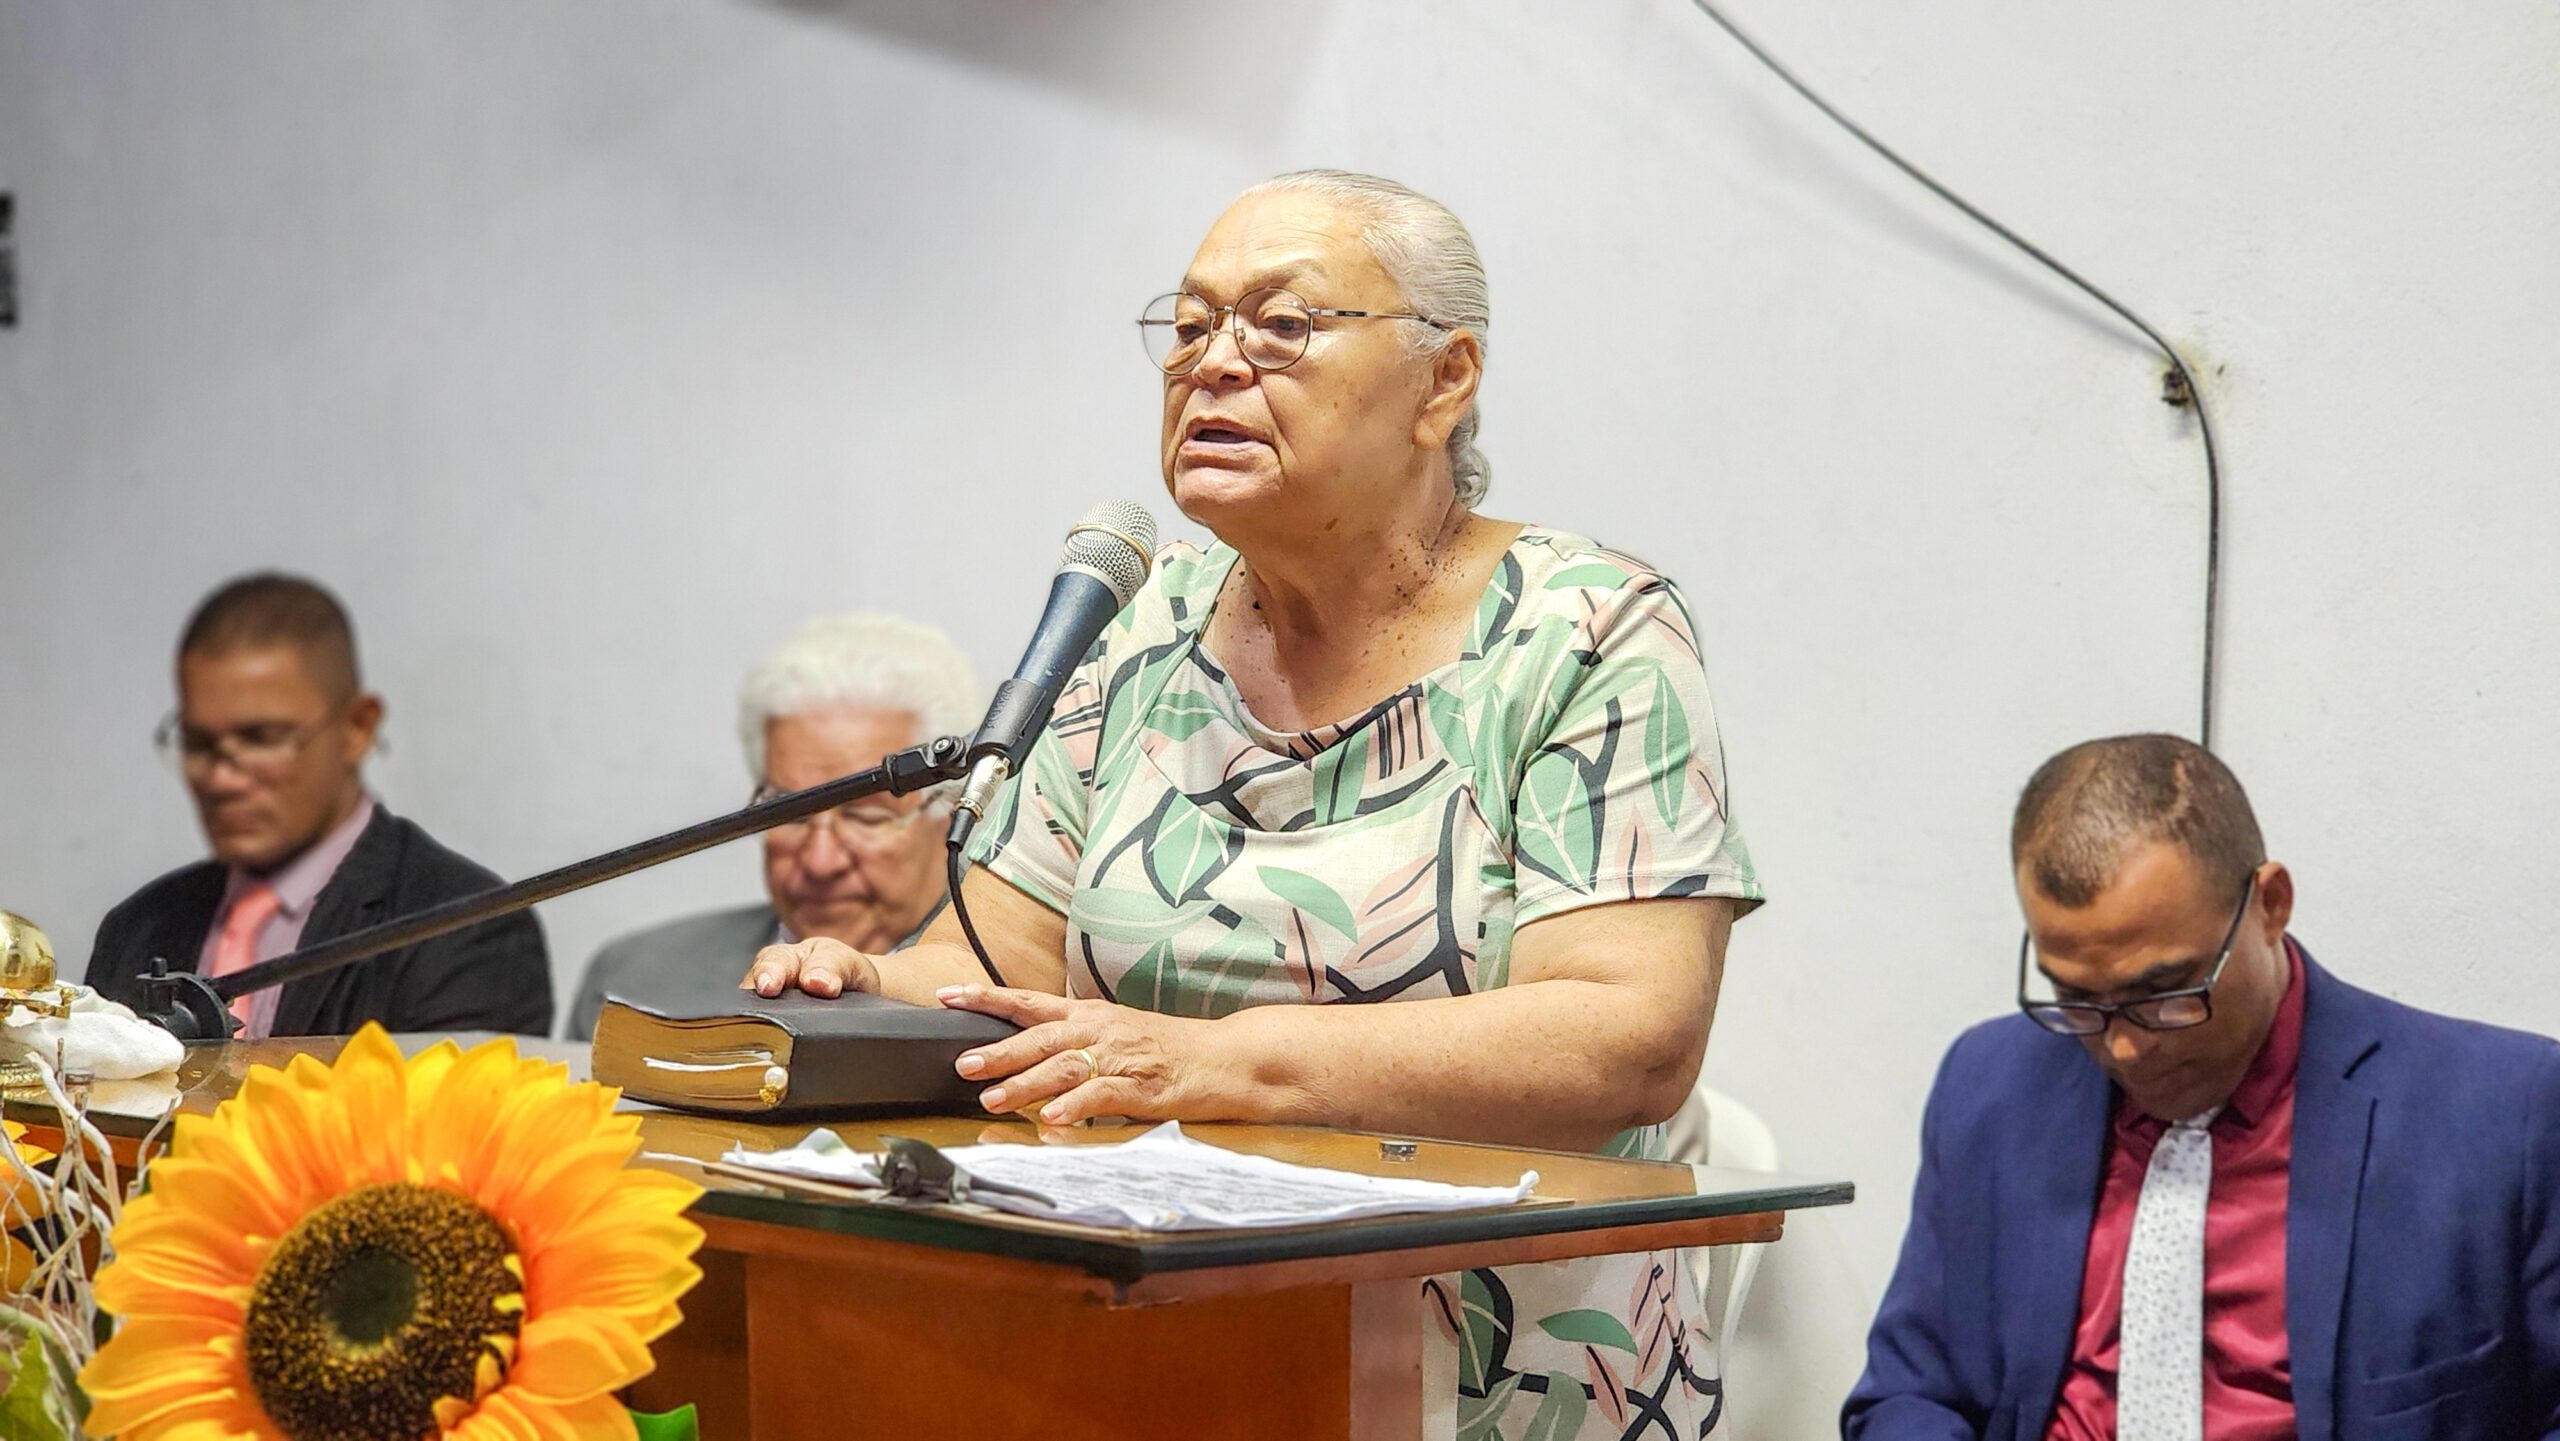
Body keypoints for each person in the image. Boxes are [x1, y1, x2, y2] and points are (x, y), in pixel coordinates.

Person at [747, 169, 1763, 1436]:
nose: (1211, 364)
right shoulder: (1145, 625)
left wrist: (1205, 1065)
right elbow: (988, 960)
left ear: (1444, 381)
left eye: (1280, 325)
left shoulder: (1588, 630)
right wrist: (859, 989)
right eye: (1185, 326)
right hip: (1148, 1339)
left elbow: (1629, 1035)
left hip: (1503, 1366)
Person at [1845, 734, 2560, 1438]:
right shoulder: (1991, 1087)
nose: (2125, 1044)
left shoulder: (2504, 1115)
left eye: (2165, 990)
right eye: (2077, 997)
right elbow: (1910, 1391)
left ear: (2271, 903)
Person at [87, 573, 552, 1036]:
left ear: (357, 728)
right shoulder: (137, 928)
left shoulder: (466, 929)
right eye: (199, 742)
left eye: (261, 738)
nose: (221, 778)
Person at [565, 613, 978, 1039]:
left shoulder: (1019, 991)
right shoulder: (636, 984)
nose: (821, 862)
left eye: (866, 817)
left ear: (949, 810)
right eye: (788, 813)